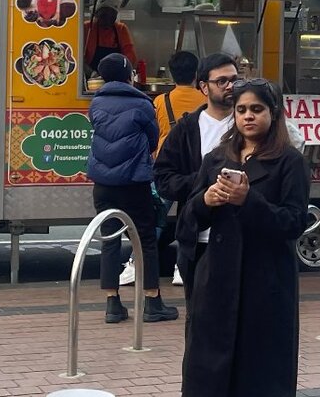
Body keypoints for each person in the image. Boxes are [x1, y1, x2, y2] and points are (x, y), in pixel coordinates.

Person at [179, 78, 309, 396]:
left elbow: (293, 222)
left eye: (256, 109)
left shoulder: (290, 162)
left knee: (259, 371)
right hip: (217, 280)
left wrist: (248, 200)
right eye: (241, 110)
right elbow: (187, 220)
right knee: (208, 368)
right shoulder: (217, 158)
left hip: (266, 283)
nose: (248, 116)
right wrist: (205, 201)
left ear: (273, 113)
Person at [87, 53, 178, 324]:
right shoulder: (142, 103)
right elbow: (152, 140)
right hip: (134, 183)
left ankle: (112, 304)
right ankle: (152, 301)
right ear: (129, 75)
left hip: (102, 183)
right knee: (145, 240)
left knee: (109, 241)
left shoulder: (97, 102)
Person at [156, 53, 238, 306]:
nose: (230, 87)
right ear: (204, 86)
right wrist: (203, 185)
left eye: (235, 80)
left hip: (242, 237)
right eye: (222, 81)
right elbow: (163, 178)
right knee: (199, 315)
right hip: (198, 238)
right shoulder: (187, 128)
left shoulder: (248, 123)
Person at [119, 51, 206, 287]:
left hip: (165, 169)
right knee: (193, 219)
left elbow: (153, 135)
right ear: (197, 74)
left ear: (171, 74)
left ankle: (136, 265)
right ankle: (182, 268)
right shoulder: (204, 101)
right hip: (196, 169)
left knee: (155, 218)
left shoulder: (160, 101)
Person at [84, 0, 138, 76]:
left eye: (112, 16)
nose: (107, 20)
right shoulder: (87, 28)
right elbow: (78, 57)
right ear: (96, 14)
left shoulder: (121, 29)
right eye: (104, 15)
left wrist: (122, 72)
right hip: (91, 79)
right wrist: (91, 73)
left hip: (117, 77)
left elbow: (130, 55)